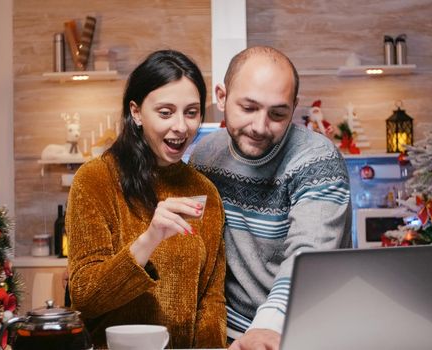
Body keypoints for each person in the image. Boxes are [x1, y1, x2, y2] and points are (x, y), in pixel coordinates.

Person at [190, 46, 352, 350]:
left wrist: (266, 328)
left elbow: (309, 256)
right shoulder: (203, 156)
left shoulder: (317, 160)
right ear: (221, 97)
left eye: (278, 114)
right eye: (248, 108)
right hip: (226, 333)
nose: (260, 127)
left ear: (294, 107)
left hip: (299, 333)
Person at [66, 50, 227, 348]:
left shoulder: (205, 191)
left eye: (191, 112)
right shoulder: (95, 179)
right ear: (136, 112)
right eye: (165, 113)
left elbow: (210, 301)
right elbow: (85, 298)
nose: (181, 126)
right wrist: (149, 239)